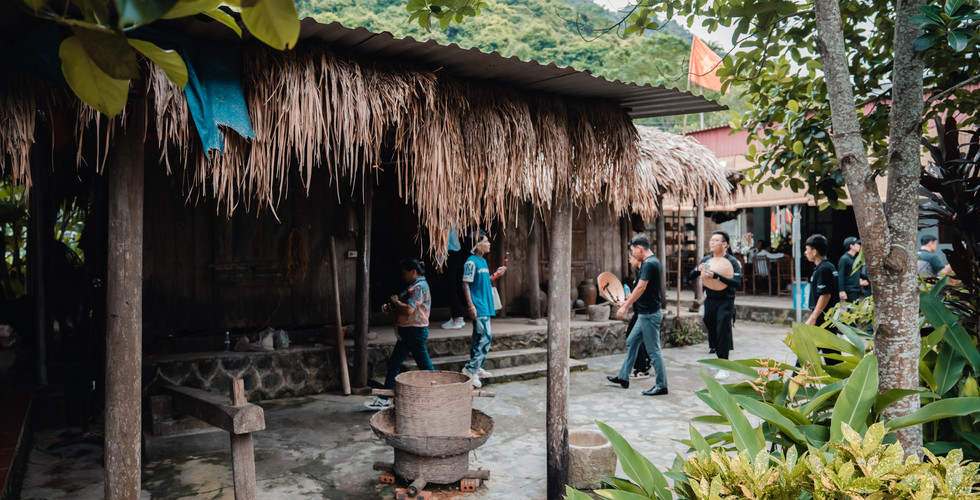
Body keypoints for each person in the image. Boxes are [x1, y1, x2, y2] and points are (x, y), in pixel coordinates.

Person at [365, 258, 434, 410]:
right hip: (409, 331)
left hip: (414, 331)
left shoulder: (419, 287)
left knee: (425, 367)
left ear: (413, 271)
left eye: (405, 273)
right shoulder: (414, 286)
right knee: (395, 363)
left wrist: (396, 302)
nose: (403, 276)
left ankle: (438, 394)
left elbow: (409, 309)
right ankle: (384, 398)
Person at [607, 235, 667, 396]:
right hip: (644, 314)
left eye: (633, 251)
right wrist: (626, 301)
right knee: (632, 341)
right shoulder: (648, 263)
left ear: (640, 249)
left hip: (650, 315)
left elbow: (641, 288)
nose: (632, 254)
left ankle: (662, 385)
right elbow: (640, 291)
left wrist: (625, 307)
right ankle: (623, 377)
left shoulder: (650, 263)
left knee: (653, 351)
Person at [690, 230, 742, 380]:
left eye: (716, 241)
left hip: (726, 300)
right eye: (711, 240)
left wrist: (717, 276)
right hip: (710, 299)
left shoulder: (732, 262)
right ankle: (717, 356)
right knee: (710, 324)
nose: (712, 243)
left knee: (722, 329)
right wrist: (697, 270)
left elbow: (737, 283)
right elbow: (691, 276)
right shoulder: (706, 260)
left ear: (725, 244)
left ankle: (724, 366)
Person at [460, 231, 507, 388]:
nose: (489, 244)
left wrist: (496, 274)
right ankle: (470, 369)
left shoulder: (483, 262)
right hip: (479, 305)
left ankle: (476, 367)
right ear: (477, 244)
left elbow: (484, 281)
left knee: (478, 337)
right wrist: (471, 305)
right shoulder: (471, 262)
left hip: (486, 305)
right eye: (486, 241)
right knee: (486, 336)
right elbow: (465, 284)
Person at [804, 234, 840, 365]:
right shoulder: (830, 267)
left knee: (806, 354)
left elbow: (825, 295)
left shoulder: (823, 269)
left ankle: (796, 380)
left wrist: (813, 318)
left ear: (814, 251)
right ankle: (843, 382)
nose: (805, 253)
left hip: (822, 318)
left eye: (807, 249)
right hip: (829, 317)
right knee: (832, 357)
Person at [441, 227, 467, 330]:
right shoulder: (455, 219)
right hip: (457, 253)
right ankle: (457, 317)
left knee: (451, 287)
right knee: (455, 286)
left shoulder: (446, 220)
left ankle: (457, 318)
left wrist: (441, 261)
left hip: (450, 254)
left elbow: (445, 242)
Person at [837, 236, 869, 302]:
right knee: (852, 310)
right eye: (857, 244)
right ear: (851, 246)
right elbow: (841, 275)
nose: (859, 246)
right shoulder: (844, 259)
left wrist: (868, 277)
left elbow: (857, 272)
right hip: (850, 289)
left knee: (856, 309)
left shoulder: (854, 258)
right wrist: (841, 291)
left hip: (856, 289)